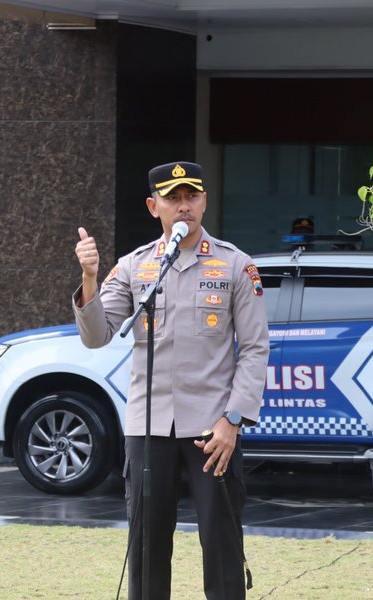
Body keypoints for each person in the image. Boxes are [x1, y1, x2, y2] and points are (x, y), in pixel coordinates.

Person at [73, 161, 270, 600]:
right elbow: (96, 335)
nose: (184, 206)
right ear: (153, 206)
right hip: (149, 426)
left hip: (212, 430)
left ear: (204, 201)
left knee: (221, 546)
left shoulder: (236, 265)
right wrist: (89, 278)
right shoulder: (134, 267)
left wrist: (232, 420)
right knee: (147, 547)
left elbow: (255, 349)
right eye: (172, 198)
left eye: (191, 197)